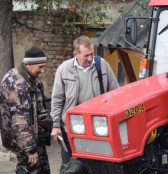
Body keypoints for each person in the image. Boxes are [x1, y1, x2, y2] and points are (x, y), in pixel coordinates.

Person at [0, 47, 54, 174]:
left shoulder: (33, 82)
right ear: (29, 65)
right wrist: (30, 149)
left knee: (43, 173)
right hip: (24, 140)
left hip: (36, 136)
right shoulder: (17, 83)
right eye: (40, 66)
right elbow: (20, 121)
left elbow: (40, 111)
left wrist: (53, 128)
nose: (43, 70)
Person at [50, 36, 119, 164]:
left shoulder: (102, 65)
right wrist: (55, 126)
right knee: (69, 165)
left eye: (92, 54)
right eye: (86, 55)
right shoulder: (64, 69)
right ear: (75, 54)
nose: (90, 58)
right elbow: (57, 100)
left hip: (97, 128)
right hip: (71, 128)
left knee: (97, 165)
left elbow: (115, 93)